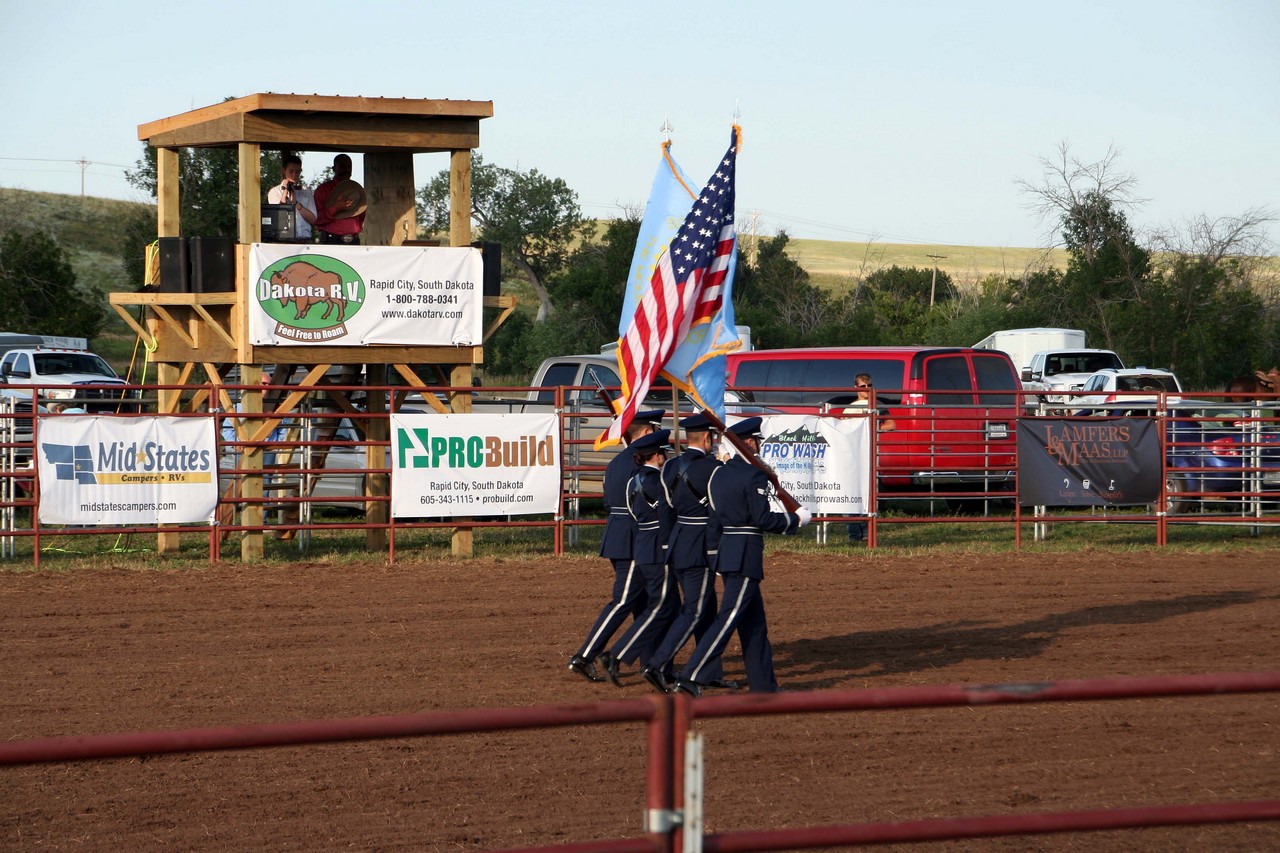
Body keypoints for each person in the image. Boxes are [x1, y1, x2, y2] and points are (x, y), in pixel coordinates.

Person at [674, 417, 811, 696]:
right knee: (730, 616)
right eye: (756, 441)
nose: (758, 445)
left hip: (727, 552)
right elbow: (761, 519)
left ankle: (764, 686)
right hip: (745, 553)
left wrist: (716, 557)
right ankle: (692, 674)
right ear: (749, 442)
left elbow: (713, 522)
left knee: (754, 624)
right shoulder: (753, 475)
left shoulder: (719, 474)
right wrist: (794, 520)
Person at [567, 409, 664, 683]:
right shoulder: (639, 466)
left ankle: (652, 662)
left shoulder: (616, 463)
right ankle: (585, 655)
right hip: (633, 538)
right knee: (623, 600)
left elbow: (608, 503)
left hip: (618, 534)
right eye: (656, 432)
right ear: (647, 433)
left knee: (644, 603)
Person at [639, 414, 734, 693]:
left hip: (678, 543)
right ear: (707, 439)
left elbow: (666, 511)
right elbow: (720, 508)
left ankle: (709, 671)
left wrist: (668, 545)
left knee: (706, 608)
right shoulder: (713, 469)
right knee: (695, 610)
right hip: (699, 545)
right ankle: (658, 664)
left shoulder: (669, 468)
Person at [597, 429, 681, 686]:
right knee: (660, 607)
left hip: (641, 545)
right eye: (663, 453)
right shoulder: (656, 483)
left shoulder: (633, 480)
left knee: (658, 607)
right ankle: (621, 655)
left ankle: (642, 659)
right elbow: (668, 514)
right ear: (655, 456)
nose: (665, 457)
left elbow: (623, 509)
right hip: (656, 548)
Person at [843, 373, 894, 545]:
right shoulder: (850, 408)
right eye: (863, 387)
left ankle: (866, 533)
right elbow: (844, 429)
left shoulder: (877, 405)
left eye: (869, 386)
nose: (867, 389)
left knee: (868, 494)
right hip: (854, 455)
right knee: (852, 494)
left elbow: (891, 424)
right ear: (856, 388)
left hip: (870, 455)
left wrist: (875, 427)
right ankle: (853, 534)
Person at [312, 153, 366, 245]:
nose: (346, 169)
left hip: (353, 240)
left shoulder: (357, 190)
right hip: (331, 240)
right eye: (342, 166)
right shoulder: (323, 190)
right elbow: (316, 219)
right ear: (333, 169)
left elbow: (361, 214)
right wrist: (335, 208)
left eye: (349, 166)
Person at [267, 154, 317, 243]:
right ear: (284, 171)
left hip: (304, 241)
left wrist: (296, 203)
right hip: (284, 242)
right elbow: (277, 218)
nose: (294, 175)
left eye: (297, 172)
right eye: (291, 171)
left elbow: (313, 219)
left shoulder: (306, 191)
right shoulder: (275, 192)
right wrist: (285, 192)